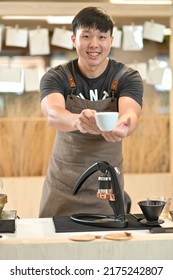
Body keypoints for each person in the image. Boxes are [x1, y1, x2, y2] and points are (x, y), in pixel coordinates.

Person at [39, 6, 143, 218]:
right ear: (74, 40)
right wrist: (77, 120)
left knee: (106, 247)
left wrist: (124, 125)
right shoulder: (57, 76)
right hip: (63, 185)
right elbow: (53, 113)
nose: (94, 44)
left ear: (111, 40)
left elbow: (130, 112)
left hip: (106, 186)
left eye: (102, 37)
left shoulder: (127, 77)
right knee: (55, 247)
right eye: (86, 36)